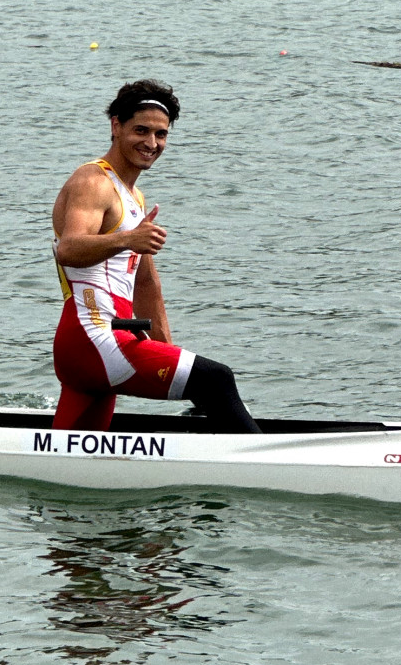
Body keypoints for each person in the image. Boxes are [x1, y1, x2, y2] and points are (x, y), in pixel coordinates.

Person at [51, 78, 260, 433]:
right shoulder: (93, 182)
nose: (151, 144)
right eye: (141, 130)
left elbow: (146, 284)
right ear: (116, 125)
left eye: (161, 135)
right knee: (216, 379)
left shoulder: (135, 197)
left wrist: (168, 355)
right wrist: (128, 238)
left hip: (100, 341)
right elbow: (68, 249)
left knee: (71, 448)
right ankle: (264, 466)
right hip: (92, 337)